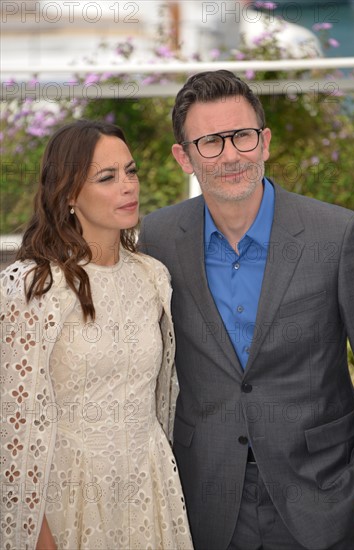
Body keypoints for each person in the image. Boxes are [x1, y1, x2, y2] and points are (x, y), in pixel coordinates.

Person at [138, 70, 354, 550]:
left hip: (326, 495)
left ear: (263, 141)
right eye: (210, 143)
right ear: (184, 157)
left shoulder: (337, 234)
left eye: (241, 136)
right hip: (207, 502)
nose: (231, 156)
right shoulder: (156, 239)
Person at [0, 119, 193, 550]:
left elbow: (164, 397)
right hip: (68, 497)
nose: (128, 186)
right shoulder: (32, 286)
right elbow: (12, 428)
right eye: (107, 177)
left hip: (149, 488)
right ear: (69, 194)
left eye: (131, 171)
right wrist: (34, 536)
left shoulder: (153, 277)